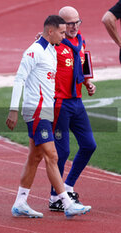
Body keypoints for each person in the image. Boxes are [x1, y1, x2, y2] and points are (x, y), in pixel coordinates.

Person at [6, 15, 92, 218]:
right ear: (51, 31)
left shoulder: (53, 50)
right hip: (35, 110)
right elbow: (19, 79)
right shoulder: (34, 51)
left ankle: (20, 202)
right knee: (52, 156)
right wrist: (13, 109)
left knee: (35, 157)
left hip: (46, 110)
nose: (64, 36)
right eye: (62, 32)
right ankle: (66, 203)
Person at [48, 6, 97, 212]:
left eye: (77, 22)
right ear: (60, 24)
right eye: (69, 23)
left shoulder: (81, 40)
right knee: (62, 150)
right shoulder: (53, 44)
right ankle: (55, 197)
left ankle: (67, 187)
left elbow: (83, 61)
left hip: (76, 101)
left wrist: (87, 82)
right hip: (60, 103)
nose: (74, 26)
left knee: (89, 145)